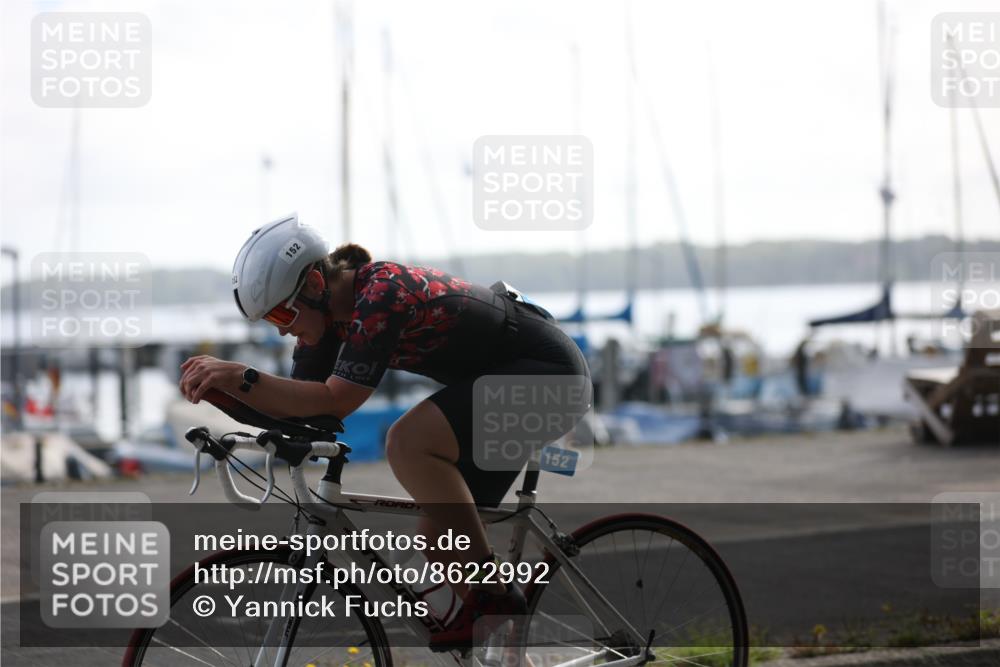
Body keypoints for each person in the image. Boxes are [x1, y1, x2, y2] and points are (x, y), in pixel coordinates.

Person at [179, 214, 591, 649]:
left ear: (316, 283)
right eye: (270, 321)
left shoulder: (381, 294)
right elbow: (300, 412)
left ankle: (494, 592)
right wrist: (224, 395)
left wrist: (240, 375)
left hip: (549, 375)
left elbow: (335, 400)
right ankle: (507, 647)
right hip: (504, 385)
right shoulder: (325, 325)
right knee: (441, 543)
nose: (281, 328)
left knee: (408, 442)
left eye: (282, 312)